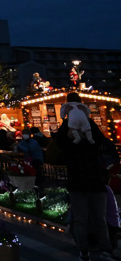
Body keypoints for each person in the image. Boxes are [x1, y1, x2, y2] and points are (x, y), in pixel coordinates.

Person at [53, 107, 119, 261]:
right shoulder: (86, 144)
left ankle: (90, 250)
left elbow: (60, 139)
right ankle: (99, 249)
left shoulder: (81, 144)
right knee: (95, 219)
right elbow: (98, 137)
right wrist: (82, 116)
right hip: (91, 184)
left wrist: (69, 117)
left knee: (85, 220)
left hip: (82, 185)